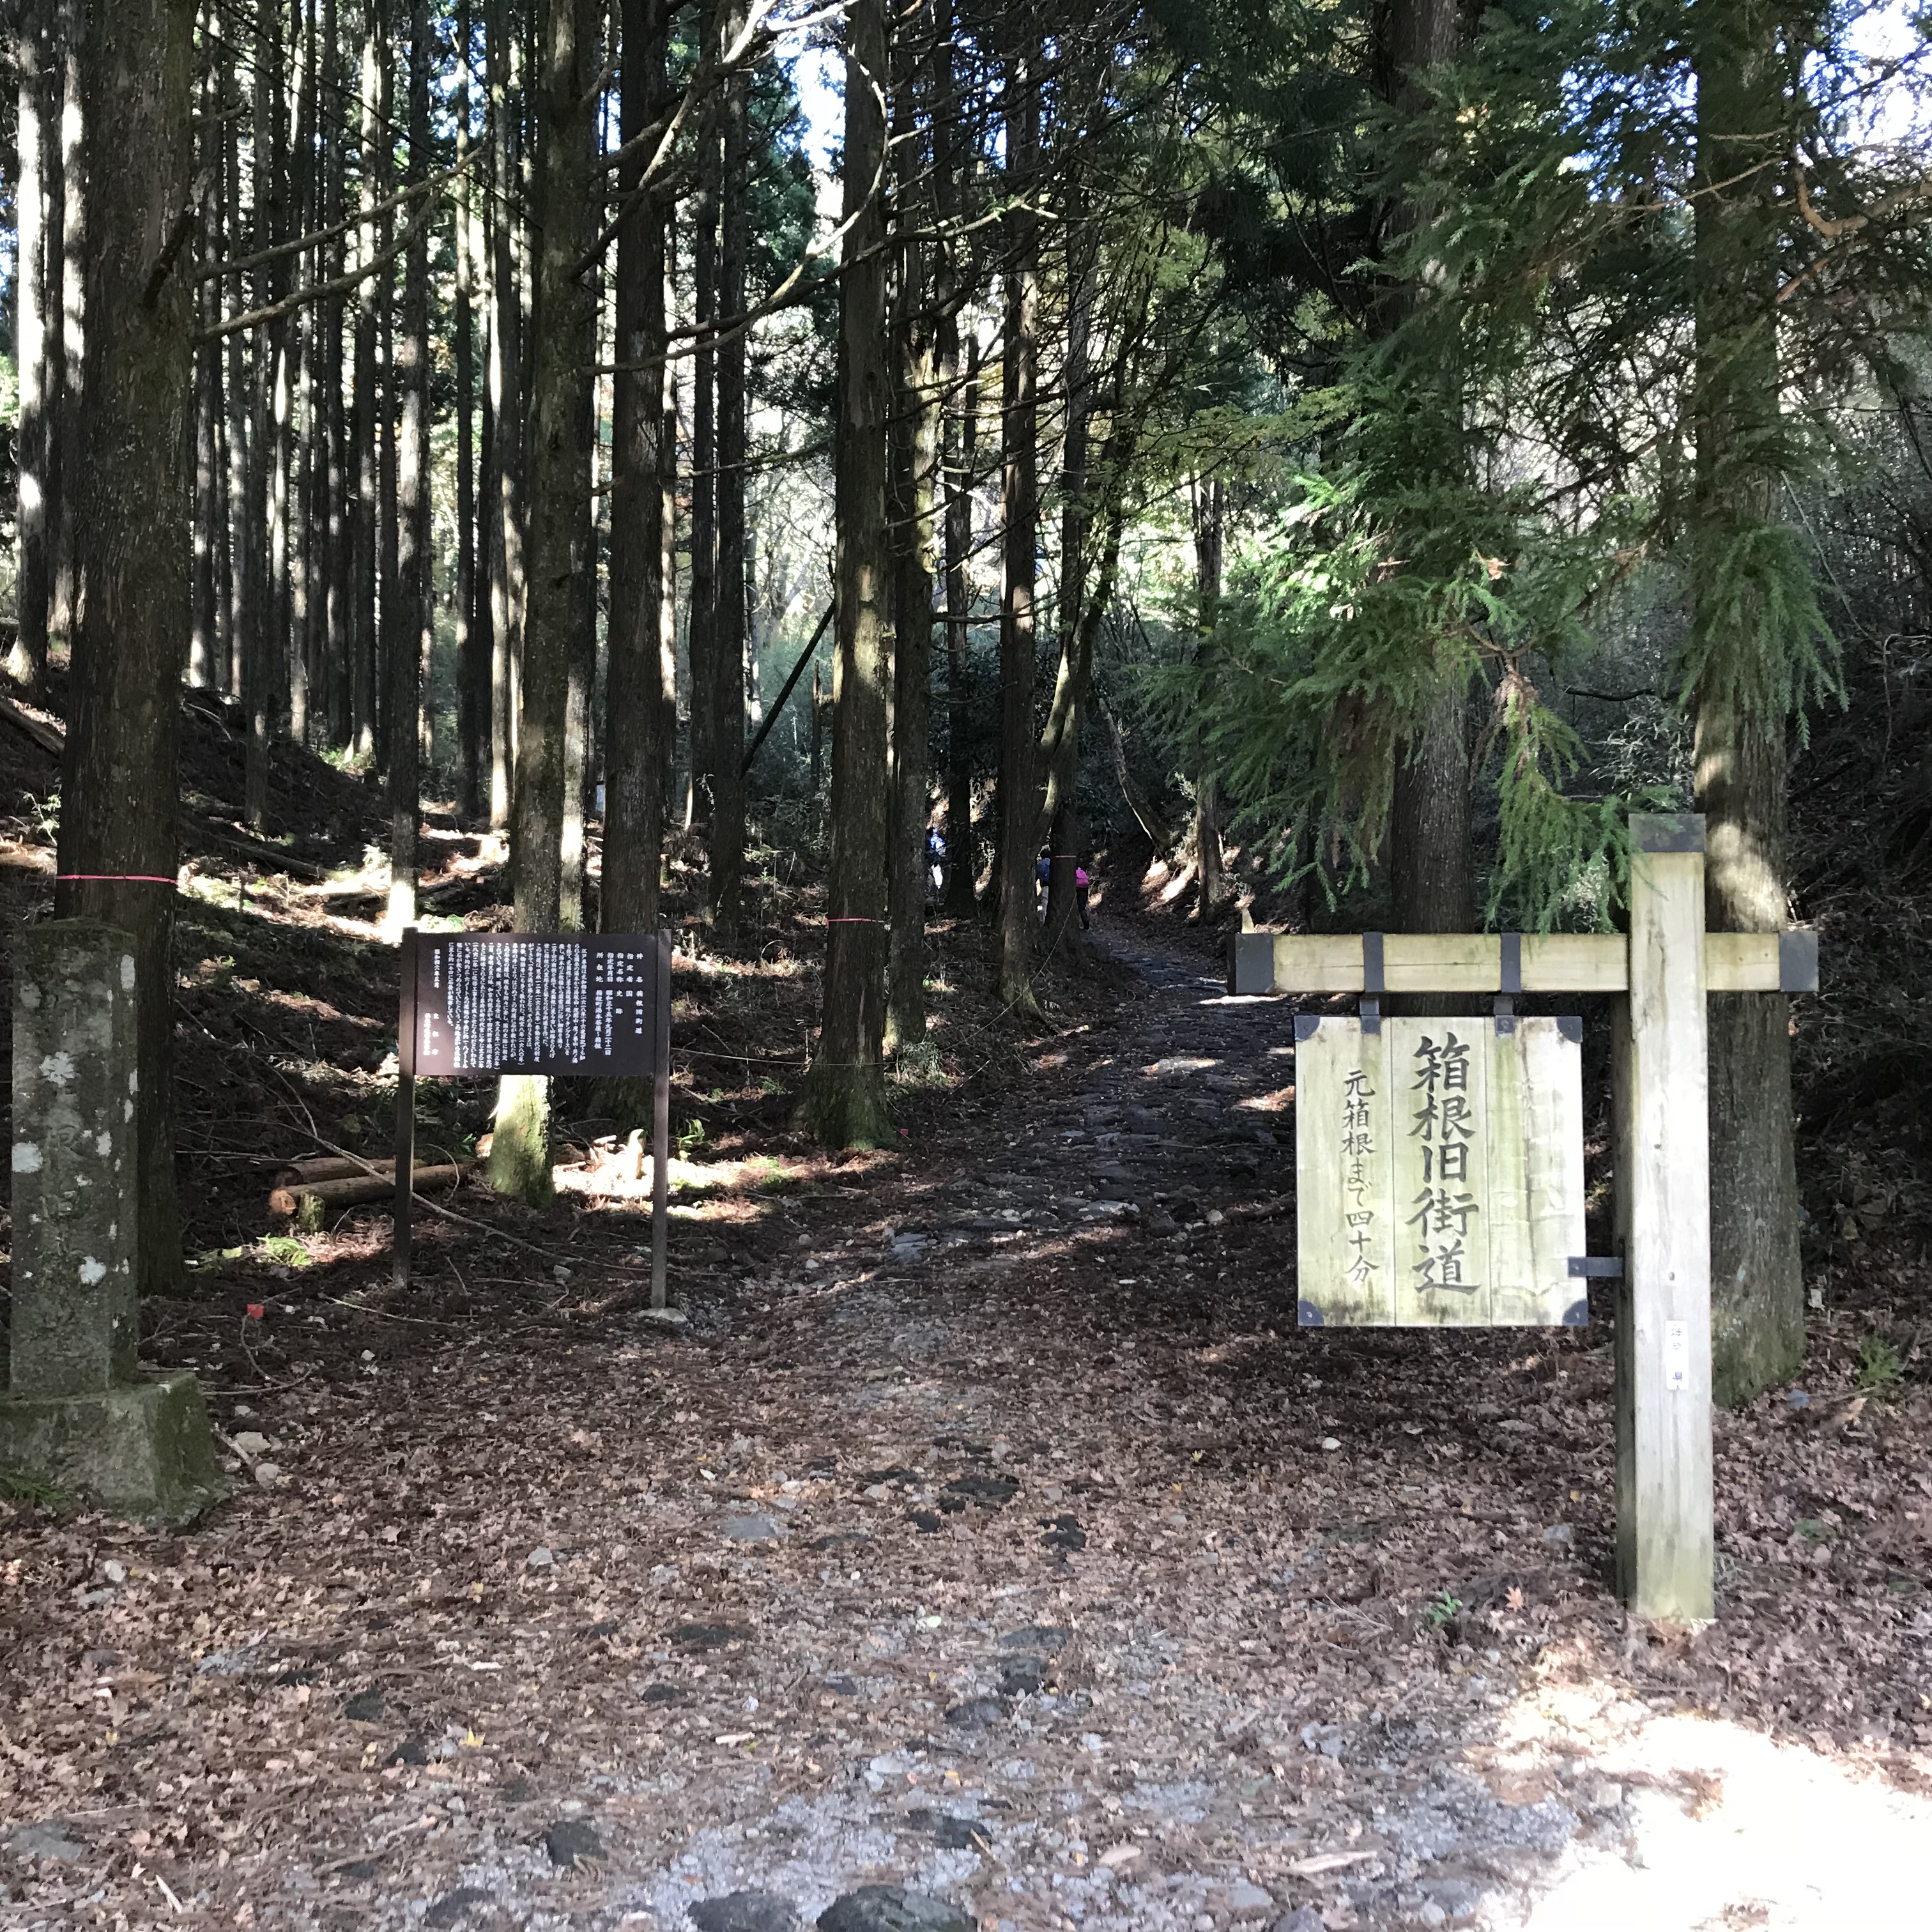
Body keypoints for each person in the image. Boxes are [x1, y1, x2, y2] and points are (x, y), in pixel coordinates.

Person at [925, 824, 946, 899]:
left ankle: (933, 897)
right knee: (938, 882)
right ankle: (938, 897)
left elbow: (928, 852)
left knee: (931, 881)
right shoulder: (940, 840)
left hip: (933, 863)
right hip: (940, 863)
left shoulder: (929, 841)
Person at [1075, 860, 1091, 930]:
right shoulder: (1082, 872)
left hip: (1077, 889)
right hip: (1084, 890)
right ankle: (1086, 924)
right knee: (1082, 908)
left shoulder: (1072, 873)